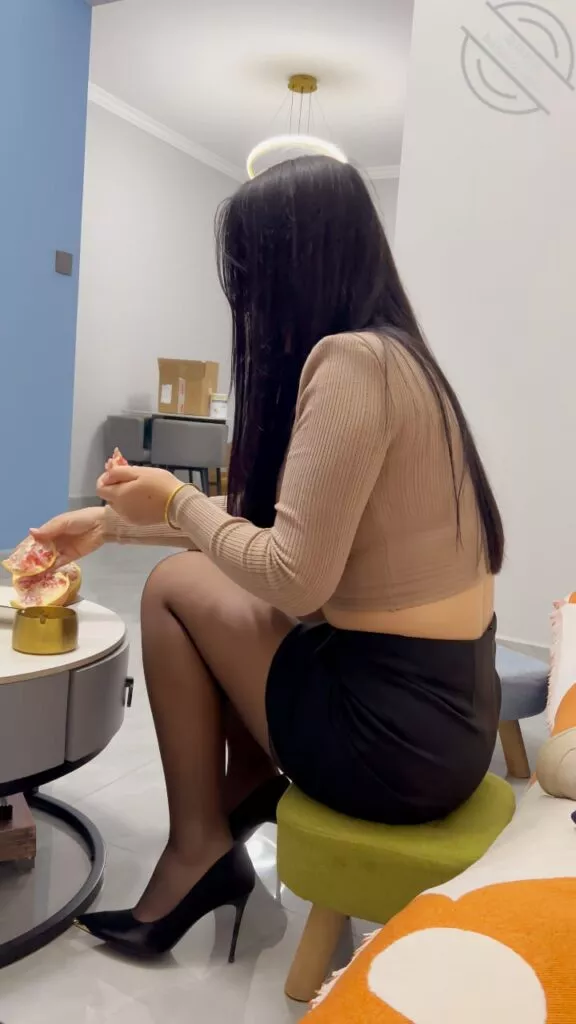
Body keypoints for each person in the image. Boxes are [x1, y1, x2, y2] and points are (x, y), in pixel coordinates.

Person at [33, 155, 504, 962]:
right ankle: (241, 797)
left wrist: (174, 501)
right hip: (451, 719)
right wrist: (111, 525)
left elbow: (292, 574)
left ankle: (199, 849)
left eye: (249, 277)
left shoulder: (351, 362)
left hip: (391, 742)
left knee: (173, 590)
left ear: (289, 270)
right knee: (212, 579)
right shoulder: (403, 360)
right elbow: (281, 538)